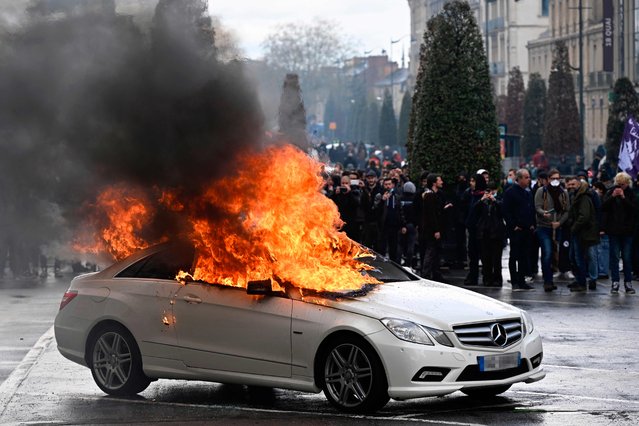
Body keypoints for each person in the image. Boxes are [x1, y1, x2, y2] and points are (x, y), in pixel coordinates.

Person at [601, 172, 637, 294]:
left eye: (623, 184)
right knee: (614, 257)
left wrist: (623, 198)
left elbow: (634, 209)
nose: (620, 186)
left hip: (627, 231)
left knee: (627, 257)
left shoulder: (631, 193)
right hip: (614, 230)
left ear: (627, 183)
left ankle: (628, 282)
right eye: (619, 184)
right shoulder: (610, 192)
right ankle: (615, 282)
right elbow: (603, 207)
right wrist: (612, 197)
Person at [534, 169, 569, 292]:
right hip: (544, 227)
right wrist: (544, 213)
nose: (555, 181)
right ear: (548, 179)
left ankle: (551, 277)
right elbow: (537, 207)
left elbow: (566, 211)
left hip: (557, 227)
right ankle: (547, 281)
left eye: (557, 178)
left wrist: (559, 222)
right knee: (547, 252)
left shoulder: (563, 193)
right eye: (553, 178)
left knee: (556, 253)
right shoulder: (541, 191)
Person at [502, 169, 535, 291]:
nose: (528, 180)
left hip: (526, 229)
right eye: (526, 177)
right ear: (519, 179)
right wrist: (513, 225)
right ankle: (514, 281)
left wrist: (531, 224)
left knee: (523, 256)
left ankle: (522, 281)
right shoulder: (510, 192)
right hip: (516, 229)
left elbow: (530, 209)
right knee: (514, 255)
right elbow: (506, 211)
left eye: (529, 177)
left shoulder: (527, 193)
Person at [566, 176, 599, 292]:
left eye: (573, 184)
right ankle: (580, 280)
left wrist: (573, 227)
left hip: (584, 232)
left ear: (579, 185)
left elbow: (584, 216)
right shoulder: (575, 196)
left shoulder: (583, 197)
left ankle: (582, 282)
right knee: (574, 257)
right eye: (569, 184)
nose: (571, 187)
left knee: (581, 257)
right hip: (580, 232)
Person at [473, 182, 506, 287]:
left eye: (492, 191)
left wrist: (495, 200)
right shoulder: (482, 201)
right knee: (485, 258)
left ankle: (497, 279)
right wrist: (482, 200)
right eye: (488, 191)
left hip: (496, 233)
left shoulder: (499, 199)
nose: (490, 193)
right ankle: (487, 278)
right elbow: (474, 211)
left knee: (496, 258)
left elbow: (504, 210)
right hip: (484, 232)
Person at [419, 173, 446, 281]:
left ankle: (433, 274)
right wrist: (436, 230)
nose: (442, 182)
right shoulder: (430, 196)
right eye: (439, 180)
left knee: (434, 251)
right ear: (434, 183)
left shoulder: (432, 195)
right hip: (431, 230)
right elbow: (431, 214)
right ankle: (425, 274)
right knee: (430, 251)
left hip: (432, 228)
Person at [374, 177, 406, 263]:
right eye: (386, 184)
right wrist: (382, 200)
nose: (388, 186)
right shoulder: (379, 195)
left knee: (394, 248)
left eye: (389, 184)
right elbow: (375, 209)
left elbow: (400, 211)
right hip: (383, 226)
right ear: (383, 185)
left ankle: (393, 266)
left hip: (394, 226)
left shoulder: (396, 196)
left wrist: (403, 225)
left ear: (392, 185)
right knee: (382, 248)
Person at [398, 181, 418, 269]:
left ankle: (398, 264)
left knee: (400, 245)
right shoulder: (415, 199)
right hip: (412, 225)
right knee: (411, 245)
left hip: (402, 225)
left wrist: (403, 225)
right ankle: (409, 264)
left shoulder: (400, 199)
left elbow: (399, 212)